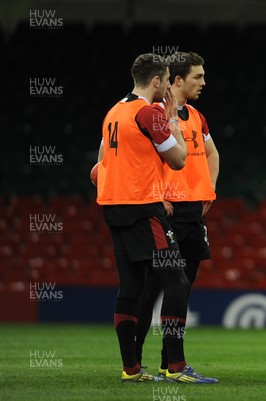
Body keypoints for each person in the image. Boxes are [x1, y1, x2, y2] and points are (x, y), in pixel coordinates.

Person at [96, 53, 217, 384]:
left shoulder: (114, 112)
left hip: (113, 208)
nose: (167, 87)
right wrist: (173, 123)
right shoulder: (150, 112)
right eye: (166, 80)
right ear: (157, 82)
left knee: (131, 285)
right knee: (177, 281)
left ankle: (131, 368)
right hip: (143, 207)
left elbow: (97, 170)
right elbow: (178, 160)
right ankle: (175, 367)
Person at [135, 51, 219, 380]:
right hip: (165, 212)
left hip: (192, 213)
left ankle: (166, 362)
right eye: (197, 77)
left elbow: (212, 153)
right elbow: (138, 160)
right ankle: (140, 362)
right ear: (178, 80)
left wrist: (209, 190)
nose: (203, 82)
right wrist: (156, 195)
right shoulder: (152, 114)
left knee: (182, 288)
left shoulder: (196, 116)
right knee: (155, 288)